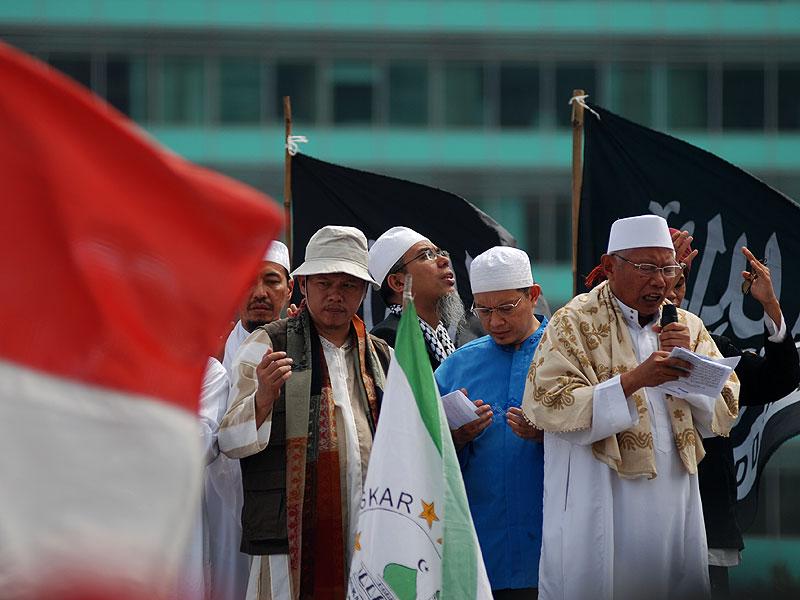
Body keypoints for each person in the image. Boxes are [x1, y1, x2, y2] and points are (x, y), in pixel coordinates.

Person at [522, 214, 739, 600]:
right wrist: (634, 380)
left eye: (667, 268)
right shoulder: (572, 322)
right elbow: (549, 403)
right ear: (609, 266)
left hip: (673, 498)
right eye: (645, 268)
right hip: (599, 495)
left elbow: (724, 403)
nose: (659, 281)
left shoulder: (686, 325)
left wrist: (687, 362)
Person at [218, 225, 392, 600]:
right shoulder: (266, 343)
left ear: (362, 291)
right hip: (289, 537)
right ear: (305, 285)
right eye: (324, 283)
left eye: (346, 286)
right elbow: (229, 441)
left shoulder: (381, 356)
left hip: (368, 533)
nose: (334, 295)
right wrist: (263, 398)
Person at [667, 235, 800, 597]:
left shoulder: (713, 347)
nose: (671, 294)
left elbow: (779, 380)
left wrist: (770, 306)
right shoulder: (613, 349)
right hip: (644, 524)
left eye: (678, 284)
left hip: (707, 520)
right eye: (663, 283)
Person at [435, 247, 547, 600]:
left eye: (505, 309)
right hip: (482, 548)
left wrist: (546, 435)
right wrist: (457, 437)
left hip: (552, 547)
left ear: (533, 296)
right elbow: (421, 445)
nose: (494, 322)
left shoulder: (564, 355)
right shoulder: (459, 366)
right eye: (483, 310)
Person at [368, 226, 463, 368]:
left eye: (439, 253)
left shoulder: (439, 335)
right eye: (426, 255)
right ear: (399, 282)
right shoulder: (392, 337)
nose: (444, 260)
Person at [222, 240, 293, 376]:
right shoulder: (216, 354)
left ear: (289, 289)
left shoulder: (303, 346)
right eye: (248, 282)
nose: (260, 293)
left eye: (271, 282)